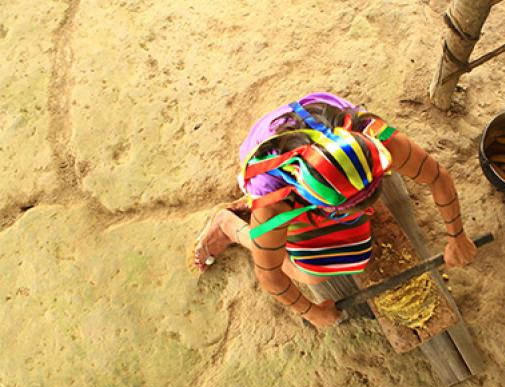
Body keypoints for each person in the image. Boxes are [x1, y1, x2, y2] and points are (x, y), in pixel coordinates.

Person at [191, 93, 477, 328]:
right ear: (309, 199)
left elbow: (438, 177)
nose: (361, 213)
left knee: (355, 239)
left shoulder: (374, 134)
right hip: (266, 154)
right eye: (345, 209)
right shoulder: (276, 202)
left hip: (311, 127)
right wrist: (311, 311)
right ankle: (229, 226)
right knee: (314, 273)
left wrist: (457, 237)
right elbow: (271, 276)